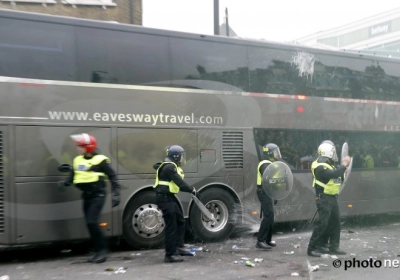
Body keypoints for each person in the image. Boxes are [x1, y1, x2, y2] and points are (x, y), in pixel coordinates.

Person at [60, 133, 120, 263]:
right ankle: (97, 250)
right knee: (89, 223)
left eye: (81, 146)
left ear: (89, 147)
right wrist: (64, 183)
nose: (78, 148)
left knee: (92, 222)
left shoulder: (100, 160)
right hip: (86, 196)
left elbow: (112, 176)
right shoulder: (77, 160)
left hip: (98, 195)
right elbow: (72, 175)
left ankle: (102, 251)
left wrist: (116, 193)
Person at [153, 145, 196, 263]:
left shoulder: (170, 166)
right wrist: (192, 190)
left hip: (169, 197)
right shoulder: (169, 168)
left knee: (180, 221)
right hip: (164, 198)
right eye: (181, 156)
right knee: (171, 226)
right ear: (175, 156)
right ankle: (169, 254)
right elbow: (180, 183)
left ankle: (179, 247)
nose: (183, 158)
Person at [307, 141, 351, 257]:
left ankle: (333, 247)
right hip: (324, 198)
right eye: (332, 152)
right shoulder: (319, 166)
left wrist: (342, 170)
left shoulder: (328, 164)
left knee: (335, 222)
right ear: (328, 153)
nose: (334, 155)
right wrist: (345, 164)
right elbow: (334, 174)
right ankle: (312, 248)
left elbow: (338, 175)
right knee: (322, 224)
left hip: (332, 197)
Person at [255, 143, 281, 250]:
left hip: (268, 192)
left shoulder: (270, 163)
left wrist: (275, 194)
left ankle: (268, 239)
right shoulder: (265, 164)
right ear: (269, 153)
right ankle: (260, 241)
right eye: (275, 152)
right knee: (268, 216)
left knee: (271, 216)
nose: (277, 154)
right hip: (263, 192)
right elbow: (269, 179)